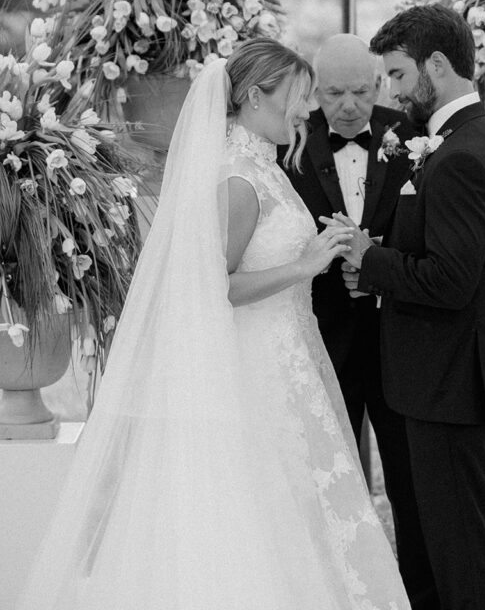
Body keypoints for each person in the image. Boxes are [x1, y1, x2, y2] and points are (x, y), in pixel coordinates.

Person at [18, 39, 411, 610]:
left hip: (289, 355)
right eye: (299, 97)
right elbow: (216, 286)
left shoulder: (266, 167)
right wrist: (306, 263)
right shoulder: (239, 180)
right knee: (262, 514)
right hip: (256, 370)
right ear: (255, 97)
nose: (307, 111)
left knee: (300, 514)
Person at [330, 6, 485, 610]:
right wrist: (383, 250)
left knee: (462, 554)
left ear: (437, 64)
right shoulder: (455, 141)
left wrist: (371, 258)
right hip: (436, 382)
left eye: (400, 75)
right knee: (440, 547)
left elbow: (452, 280)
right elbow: (442, 252)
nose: (395, 91)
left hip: (450, 385)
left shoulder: (460, 154)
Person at [280, 33, 435, 609]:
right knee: (329, 477)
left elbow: (428, 230)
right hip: (322, 337)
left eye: (362, 92)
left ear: (378, 86)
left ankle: (418, 596)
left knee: (410, 482)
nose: (348, 106)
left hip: (400, 337)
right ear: (314, 90)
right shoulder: (288, 141)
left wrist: (378, 263)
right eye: (334, 93)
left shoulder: (413, 135)